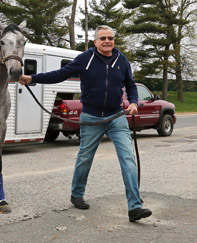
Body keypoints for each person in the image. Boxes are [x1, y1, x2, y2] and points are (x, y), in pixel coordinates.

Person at [19, 25, 152, 222]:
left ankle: (134, 206)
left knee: (128, 159)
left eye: (110, 38)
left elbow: (130, 85)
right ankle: (77, 194)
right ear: (95, 42)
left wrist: (133, 102)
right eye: (103, 38)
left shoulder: (121, 60)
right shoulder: (85, 59)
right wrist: (32, 78)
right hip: (91, 117)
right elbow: (60, 74)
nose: (107, 41)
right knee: (85, 158)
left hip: (116, 117)